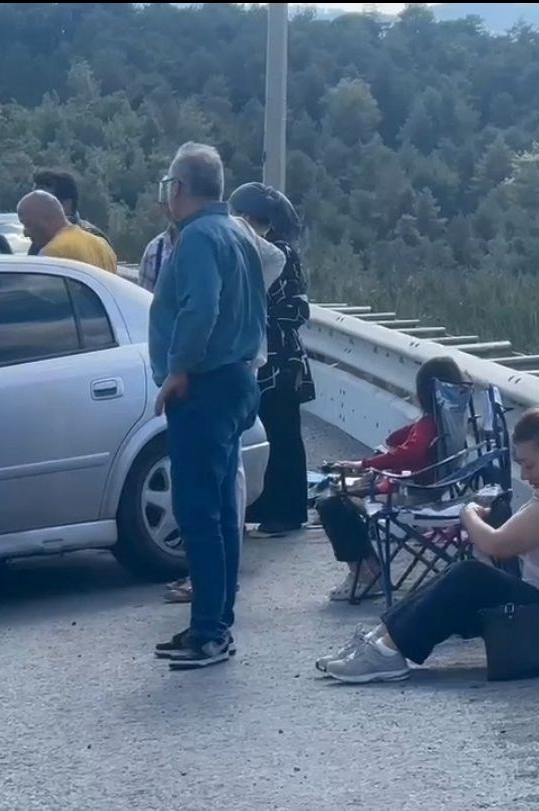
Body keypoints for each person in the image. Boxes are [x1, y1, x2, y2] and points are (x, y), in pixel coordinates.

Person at [313, 408, 539, 683]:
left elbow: (496, 544)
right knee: (458, 581)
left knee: (470, 577)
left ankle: (387, 650)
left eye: (530, 466)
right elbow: (509, 531)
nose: (524, 475)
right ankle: (383, 640)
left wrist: (466, 512)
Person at [148, 142, 266, 669]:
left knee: (199, 512)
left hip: (206, 384)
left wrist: (177, 370)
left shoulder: (197, 238)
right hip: (238, 376)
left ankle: (210, 632)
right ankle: (215, 622)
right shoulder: (239, 232)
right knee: (219, 512)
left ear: (178, 188)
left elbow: (200, 308)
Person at [320, 356, 467, 601]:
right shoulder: (450, 419)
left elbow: (410, 453)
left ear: (422, 392)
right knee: (345, 495)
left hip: (413, 494)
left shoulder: (429, 424)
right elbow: (407, 443)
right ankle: (371, 570)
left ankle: (365, 572)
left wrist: (364, 464)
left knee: (331, 503)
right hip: (434, 489)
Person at [229, 182, 315, 538]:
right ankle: (269, 508)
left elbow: (290, 306)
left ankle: (286, 512)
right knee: (272, 432)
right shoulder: (271, 249)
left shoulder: (276, 253)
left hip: (278, 362)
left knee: (282, 436)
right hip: (274, 358)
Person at [17, 190, 118, 272]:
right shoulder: (102, 244)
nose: (25, 233)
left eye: (27, 224)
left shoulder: (54, 252)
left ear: (46, 219)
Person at [32, 168, 108, 252]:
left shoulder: (95, 241)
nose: (36, 209)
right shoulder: (40, 242)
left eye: (43, 203)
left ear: (66, 205)